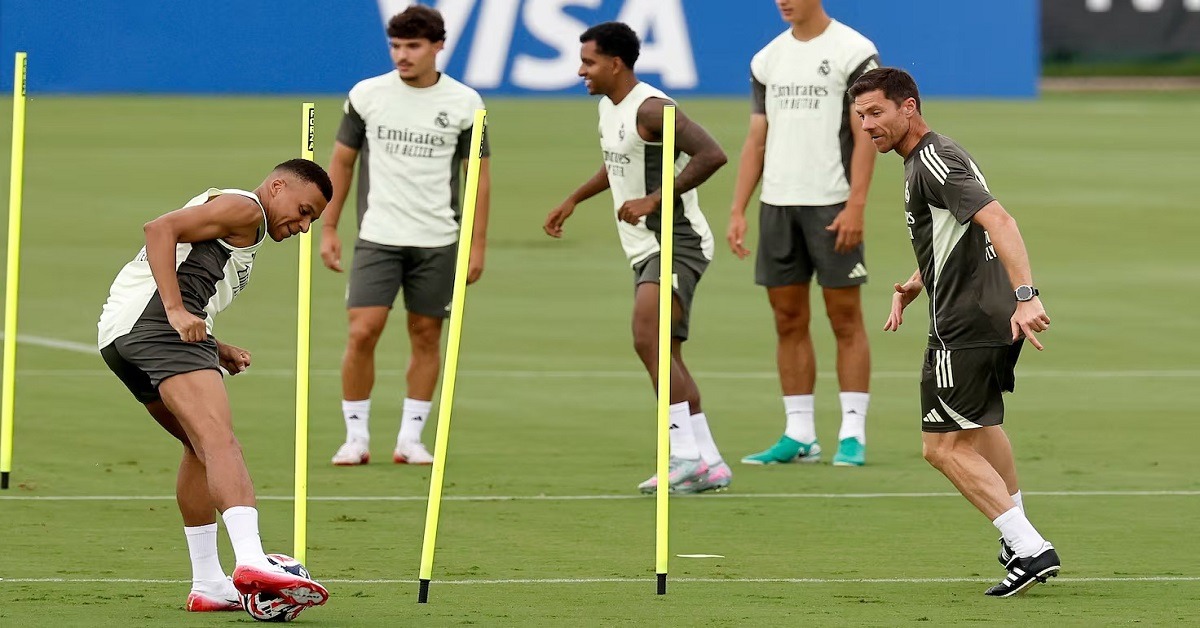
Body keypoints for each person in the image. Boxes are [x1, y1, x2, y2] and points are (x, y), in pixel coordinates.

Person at [848, 67, 1061, 596]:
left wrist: (1028, 295)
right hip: (984, 316)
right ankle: (1021, 540)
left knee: (941, 447)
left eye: (876, 113)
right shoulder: (932, 156)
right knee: (982, 428)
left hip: (965, 324)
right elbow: (957, 232)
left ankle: (1030, 548)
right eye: (860, 116)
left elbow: (1000, 221)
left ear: (908, 107)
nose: (868, 125)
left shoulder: (933, 161)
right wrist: (917, 280)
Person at [97, 159, 334, 611]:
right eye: (303, 210)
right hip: (155, 329)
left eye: (312, 220)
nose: (304, 226)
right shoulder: (247, 210)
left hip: (122, 336)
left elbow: (187, 276)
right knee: (220, 442)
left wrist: (213, 341)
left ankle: (208, 582)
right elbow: (159, 229)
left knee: (198, 448)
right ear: (277, 186)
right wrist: (175, 313)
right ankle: (251, 560)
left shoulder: (245, 221)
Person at [544, 22, 731, 494]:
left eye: (588, 62)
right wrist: (574, 198)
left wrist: (653, 200)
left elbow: (712, 154)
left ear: (615, 63)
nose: (580, 70)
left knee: (647, 337)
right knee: (665, 351)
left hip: (677, 241)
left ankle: (683, 455)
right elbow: (618, 160)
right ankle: (708, 461)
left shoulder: (653, 108)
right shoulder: (610, 108)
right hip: (645, 247)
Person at [321, 5, 490, 467]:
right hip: (378, 235)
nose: (402, 55)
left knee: (426, 334)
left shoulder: (465, 103)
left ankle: (410, 439)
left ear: (437, 46)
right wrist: (330, 226)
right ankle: (355, 438)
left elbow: (479, 175)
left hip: (438, 238)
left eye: (413, 46)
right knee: (362, 331)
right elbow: (342, 162)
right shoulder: (367, 95)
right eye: (396, 46)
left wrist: (476, 245)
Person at [730, 0, 880, 467]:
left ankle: (852, 434)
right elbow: (757, 138)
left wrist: (856, 203)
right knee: (787, 319)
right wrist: (738, 207)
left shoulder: (854, 52)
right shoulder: (766, 58)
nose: (783, 1)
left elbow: (865, 134)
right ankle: (800, 434)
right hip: (777, 205)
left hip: (832, 204)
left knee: (844, 319)